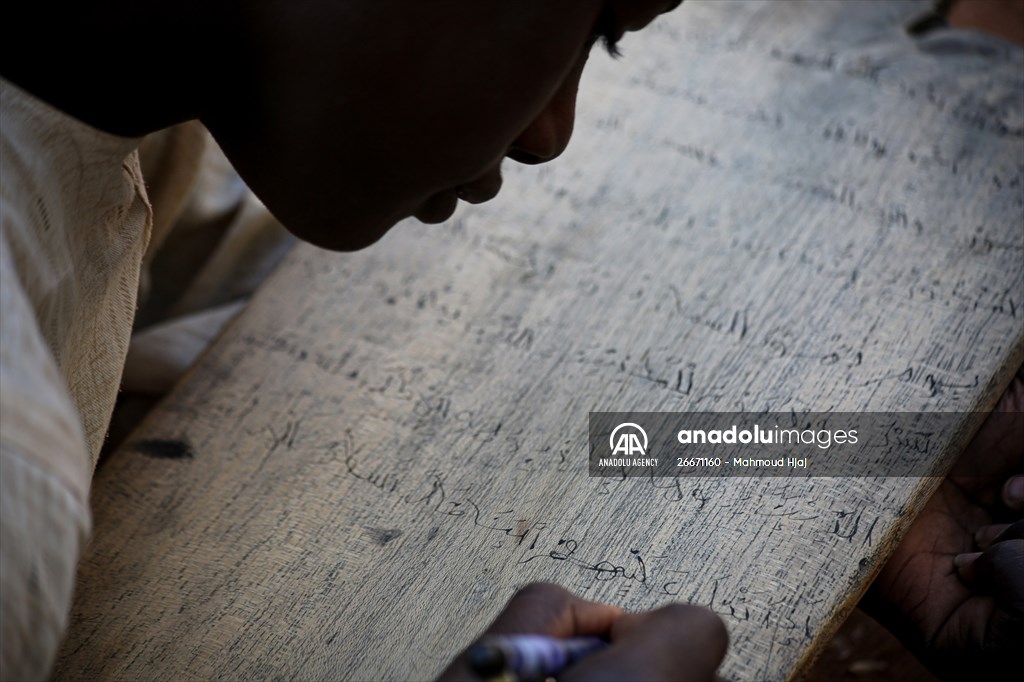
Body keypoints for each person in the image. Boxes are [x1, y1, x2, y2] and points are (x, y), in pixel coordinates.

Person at [0, 1, 1019, 681]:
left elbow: (214, 274)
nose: (550, 132)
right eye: (595, 22)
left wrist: (867, 454)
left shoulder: (113, 109)